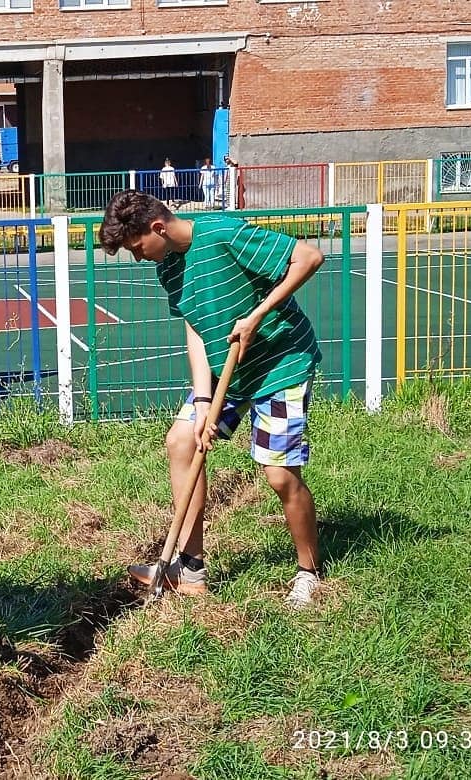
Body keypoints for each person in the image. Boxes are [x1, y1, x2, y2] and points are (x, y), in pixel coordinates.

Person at [98, 190, 325, 608]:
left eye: (135, 248)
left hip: (280, 365)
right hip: (226, 375)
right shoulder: (169, 266)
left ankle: (309, 571)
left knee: (278, 474)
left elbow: (308, 258)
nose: (137, 257)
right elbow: (197, 329)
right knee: (182, 441)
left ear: (157, 228)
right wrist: (204, 403)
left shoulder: (222, 234)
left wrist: (258, 314)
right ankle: (189, 569)